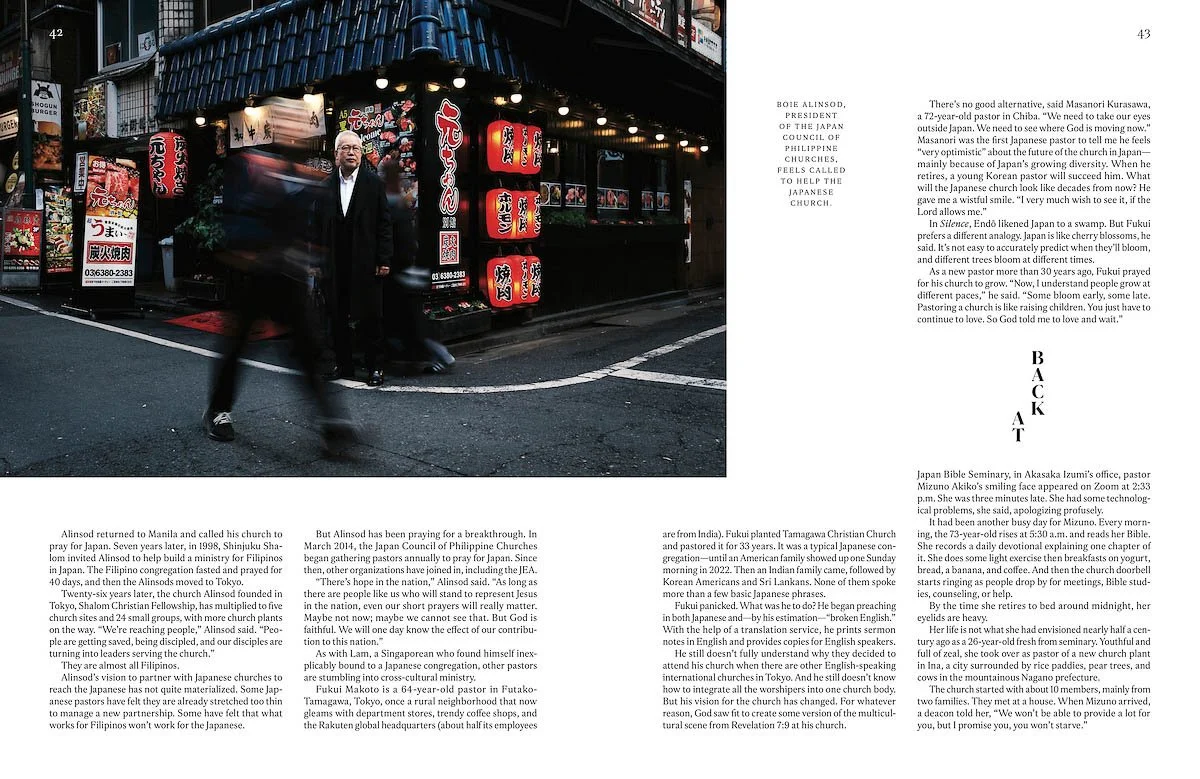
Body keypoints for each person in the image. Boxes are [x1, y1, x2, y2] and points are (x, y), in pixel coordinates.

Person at [203, 121, 358, 453]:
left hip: (289, 277)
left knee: (306, 350)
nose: (297, 138)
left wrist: (312, 257)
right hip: (252, 274)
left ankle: (330, 421)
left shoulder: (301, 175)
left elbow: (309, 227)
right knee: (238, 347)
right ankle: (217, 410)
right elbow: (233, 219)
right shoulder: (251, 165)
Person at [318, 130, 393, 385]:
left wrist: (384, 259)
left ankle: (375, 367)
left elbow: (384, 224)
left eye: (356, 149)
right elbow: (317, 226)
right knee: (337, 315)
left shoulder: (374, 184)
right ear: (336, 154)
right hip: (334, 262)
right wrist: (316, 262)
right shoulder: (325, 186)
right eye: (346, 148)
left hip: (366, 260)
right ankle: (343, 364)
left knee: (371, 316)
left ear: (361, 154)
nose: (351, 153)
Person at [379, 157, 455, 374]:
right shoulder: (400, 201)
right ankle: (423, 357)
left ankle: (439, 356)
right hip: (408, 270)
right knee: (410, 319)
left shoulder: (391, 203)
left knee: (411, 321)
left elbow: (398, 241)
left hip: (399, 271)